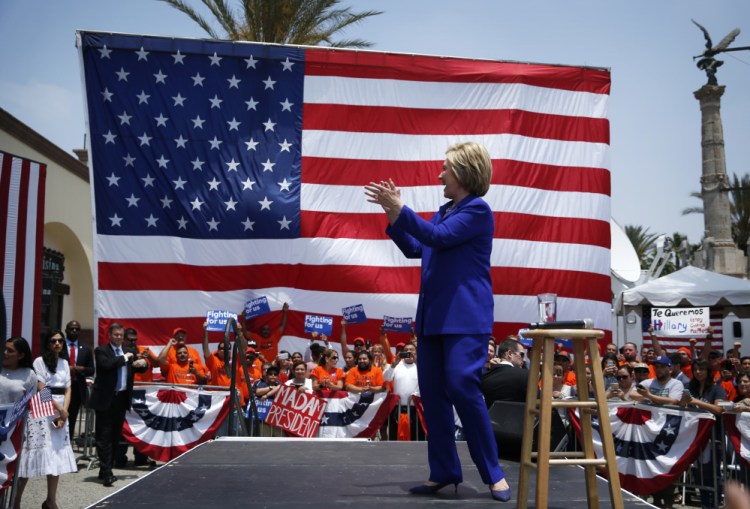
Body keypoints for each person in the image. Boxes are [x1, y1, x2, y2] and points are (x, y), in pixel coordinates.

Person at [365, 141, 510, 501]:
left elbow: (438, 238)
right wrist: (392, 214)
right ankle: (444, 472)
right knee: (433, 395)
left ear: (463, 171)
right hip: (432, 321)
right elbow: (418, 246)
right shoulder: (446, 211)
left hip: (465, 319)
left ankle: (493, 472)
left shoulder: (477, 211)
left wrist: (403, 209)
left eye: (445, 167)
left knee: (462, 386)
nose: (439, 174)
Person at [15, 330, 77, 509]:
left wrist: (64, 410)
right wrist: (58, 410)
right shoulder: (39, 361)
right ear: (47, 343)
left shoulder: (65, 363)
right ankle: (17, 499)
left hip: (61, 408)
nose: (57, 344)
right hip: (44, 408)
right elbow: (41, 386)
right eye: (53, 341)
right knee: (33, 453)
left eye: (60, 341)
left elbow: (68, 389)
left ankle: (51, 500)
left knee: (56, 456)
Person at [88, 323, 148, 487]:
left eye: (121, 335)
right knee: (103, 436)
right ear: (109, 335)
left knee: (115, 437)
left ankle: (104, 468)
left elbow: (140, 367)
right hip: (105, 399)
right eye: (116, 335)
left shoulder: (129, 352)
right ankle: (108, 473)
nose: (119, 338)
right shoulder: (102, 351)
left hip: (121, 399)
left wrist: (142, 364)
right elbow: (106, 365)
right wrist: (125, 358)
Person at [59, 320, 95, 445]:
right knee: (57, 417)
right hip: (60, 388)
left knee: (71, 418)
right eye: (71, 328)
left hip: (76, 388)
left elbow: (92, 369)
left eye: (77, 329)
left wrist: (82, 369)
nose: (74, 331)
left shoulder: (85, 348)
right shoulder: (59, 346)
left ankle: (67, 445)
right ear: (66, 330)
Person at [383, 342, 420, 440]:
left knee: (416, 437)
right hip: (397, 407)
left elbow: (428, 380)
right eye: (406, 350)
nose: (408, 351)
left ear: (416, 352)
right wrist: (393, 365)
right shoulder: (397, 365)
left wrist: (418, 363)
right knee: (394, 437)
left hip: (415, 408)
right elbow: (386, 377)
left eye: (411, 350)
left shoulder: (421, 366)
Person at [480, 338, 529, 405]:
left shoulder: (484, 377)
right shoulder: (525, 375)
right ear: (510, 354)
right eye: (522, 354)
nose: (524, 359)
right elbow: (538, 400)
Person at [0, 337, 36, 404]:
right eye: (4, 349)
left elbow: (31, 404)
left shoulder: (29, 374)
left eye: (10, 351)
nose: (5, 352)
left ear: (21, 356)